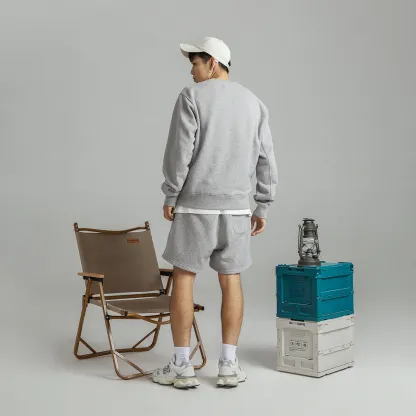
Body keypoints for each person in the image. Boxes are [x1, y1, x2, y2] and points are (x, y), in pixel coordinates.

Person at [152, 37, 278, 389]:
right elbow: (267, 159)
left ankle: (181, 366)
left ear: (212, 62)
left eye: (194, 63)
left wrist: (171, 193)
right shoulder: (255, 103)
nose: (191, 72)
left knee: (184, 278)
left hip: (195, 207)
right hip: (237, 210)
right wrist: (263, 205)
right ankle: (228, 366)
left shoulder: (191, 97)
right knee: (231, 279)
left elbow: (180, 152)